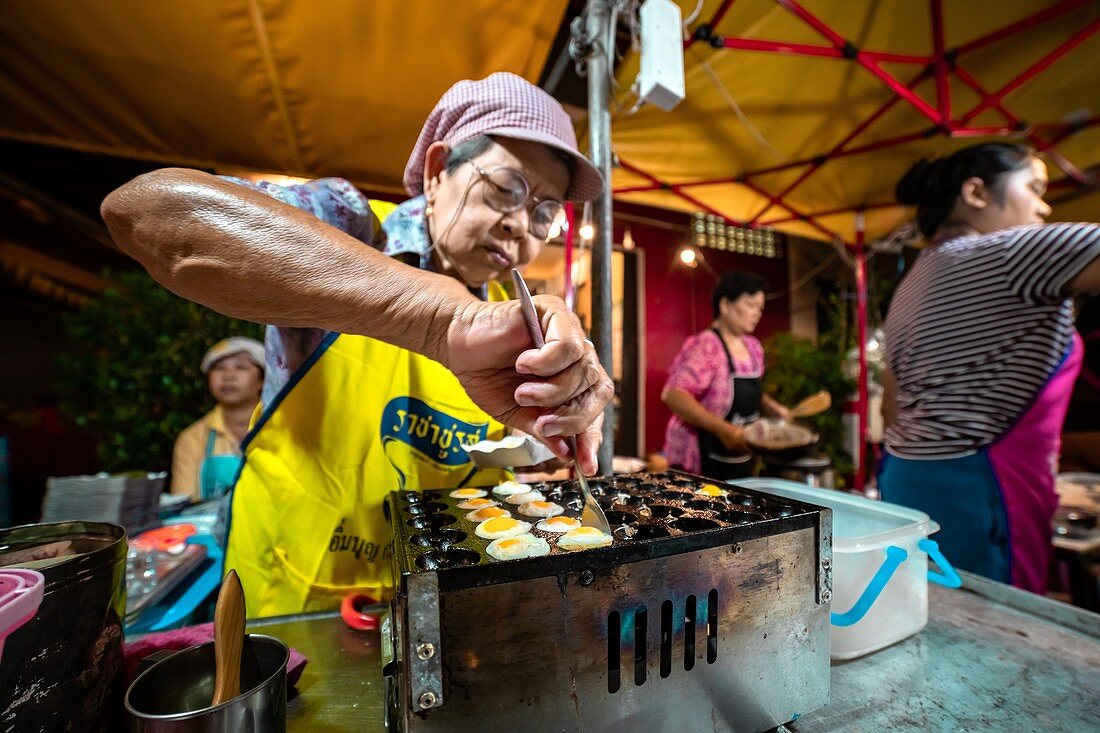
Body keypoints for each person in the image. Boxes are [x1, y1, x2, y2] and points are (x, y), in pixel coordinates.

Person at [101, 72, 612, 616]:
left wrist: (542, 425)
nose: (519, 227)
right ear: (438, 172)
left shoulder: (513, 321)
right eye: (506, 188)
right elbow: (146, 214)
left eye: (543, 212)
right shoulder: (353, 227)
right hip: (293, 604)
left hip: (433, 605)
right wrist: (442, 320)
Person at [880, 142, 1100, 594]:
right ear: (977, 193)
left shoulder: (913, 281)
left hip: (907, 479)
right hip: (980, 492)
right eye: (1034, 187)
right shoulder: (1010, 253)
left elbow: (890, 409)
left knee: (928, 621)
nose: (1045, 206)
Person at [661, 271, 790, 480]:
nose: (757, 313)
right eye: (750, 305)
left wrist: (773, 408)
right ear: (725, 305)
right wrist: (725, 430)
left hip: (741, 456)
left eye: (760, 308)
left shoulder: (753, 347)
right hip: (701, 457)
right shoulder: (707, 345)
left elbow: (751, 391)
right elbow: (674, 395)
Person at [171, 337, 265, 501]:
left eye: (240, 367)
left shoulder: (282, 429)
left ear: (262, 380)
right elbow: (182, 505)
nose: (228, 376)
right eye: (219, 368)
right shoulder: (192, 438)